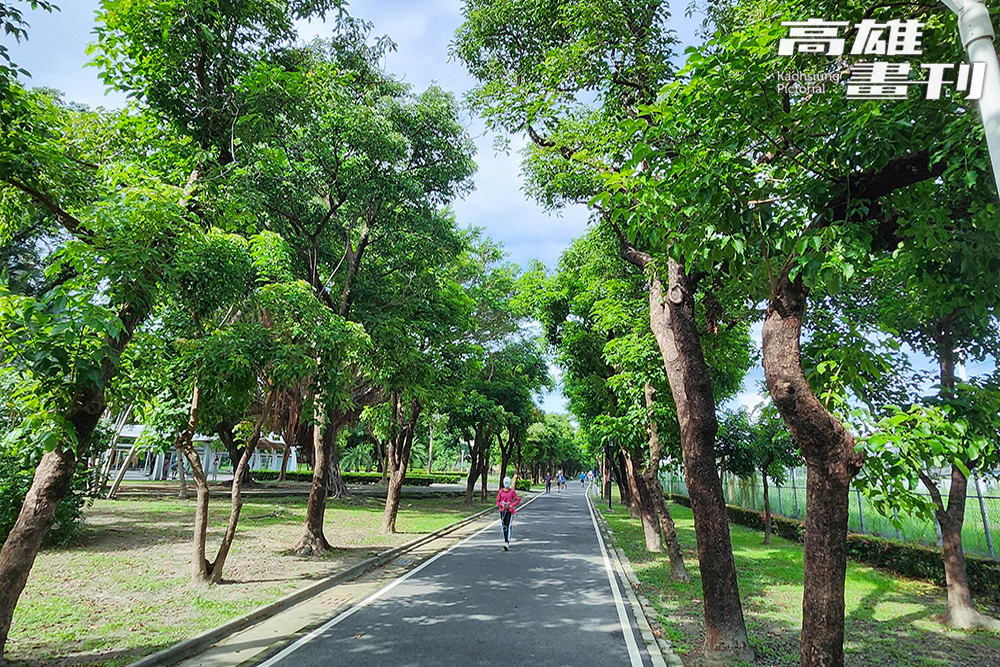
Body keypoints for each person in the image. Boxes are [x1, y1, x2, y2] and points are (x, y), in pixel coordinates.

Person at [496, 476, 521, 551]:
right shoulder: (500, 491)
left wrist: (511, 505)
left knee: (508, 525)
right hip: (503, 511)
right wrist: (502, 505)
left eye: (508, 483)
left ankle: (507, 542)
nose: (506, 484)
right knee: (504, 526)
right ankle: (505, 539)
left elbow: (518, 500)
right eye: (505, 483)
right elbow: (497, 501)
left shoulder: (512, 492)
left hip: (510, 511)